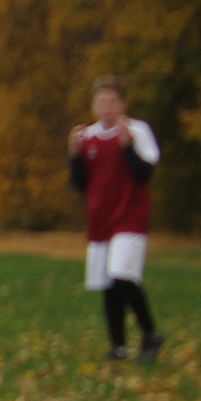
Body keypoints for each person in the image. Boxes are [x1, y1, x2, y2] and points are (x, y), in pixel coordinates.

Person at [69, 76, 164, 363]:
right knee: (109, 284)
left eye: (112, 101)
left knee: (123, 274)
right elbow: (81, 182)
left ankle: (150, 332)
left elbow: (144, 173)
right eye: (101, 102)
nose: (107, 107)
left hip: (131, 216)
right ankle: (118, 346)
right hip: (101, 219)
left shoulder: (136, 130)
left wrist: (126, 146)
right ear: (93, 106)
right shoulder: (87, 137)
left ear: (122, 104)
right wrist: (73, 155)